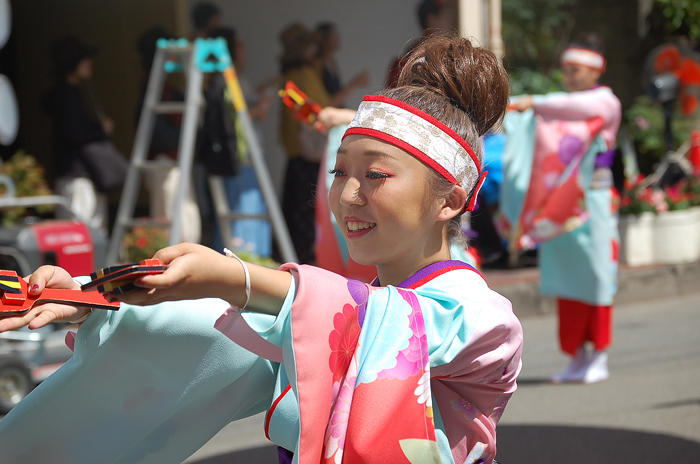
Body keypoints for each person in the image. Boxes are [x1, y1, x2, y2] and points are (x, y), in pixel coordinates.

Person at [0, 35, 522, 464]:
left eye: (376, 175)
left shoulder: (482, 321)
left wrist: (238, 278)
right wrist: (98, 298)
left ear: (451, 199)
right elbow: (224, 331)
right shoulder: (344, 310)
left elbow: (380, 321)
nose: (346, 195)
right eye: (340, 172)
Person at [512, 33, 621, 384]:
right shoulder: (560, 106)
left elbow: (576, 108)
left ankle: (599, 354)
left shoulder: (605, 102)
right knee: (566, 277)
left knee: (597, 275)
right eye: (566, 70)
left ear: (596, 70)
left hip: (595, 201)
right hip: (561, 204)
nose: (569, 76)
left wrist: (533, 101)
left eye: (576, 70)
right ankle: (577, 356)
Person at [208, 26, 274, 257]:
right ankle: (246, 259)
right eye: (240, 46)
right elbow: (241, 116)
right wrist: (264, 103)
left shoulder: (232, 79)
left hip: (241, 158)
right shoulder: (228, 80)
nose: (244, 51)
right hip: (241, 158)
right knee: (243, 212)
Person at [135, 26, 202, 244]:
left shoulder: (163, 86)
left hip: (173, 164)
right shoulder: (153, 88)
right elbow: (160, 136)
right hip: (164, 165)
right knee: (173, 230)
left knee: (186, 223)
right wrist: (190, 131)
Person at [41, 35, 115, 230]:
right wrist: (101, 130)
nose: (89, 63)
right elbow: (74, 134)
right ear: (73, 63)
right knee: (82, 238)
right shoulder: (68, 94)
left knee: (87, 238)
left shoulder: (66, 92)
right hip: (77, 180)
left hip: (77, 178)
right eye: (84, 59)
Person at [278, 23, 332, 264]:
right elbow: (322, 111)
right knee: (309, 218)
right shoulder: (306, 74)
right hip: (308, 159)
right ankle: (308, 269)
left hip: (294, 157)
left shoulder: (288, 75)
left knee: (293, 216)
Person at [385, 0, 452, 88]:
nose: (449, 21)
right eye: (444, 16)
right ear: (432, 20)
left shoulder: (408, 54)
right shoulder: (438, 53)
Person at [315, 22, 369, 107]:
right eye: (334, 36)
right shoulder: (317, 64)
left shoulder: (332, 62)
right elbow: (326, 101)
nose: (338, 39)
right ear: (323, 40)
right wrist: (354, 83)